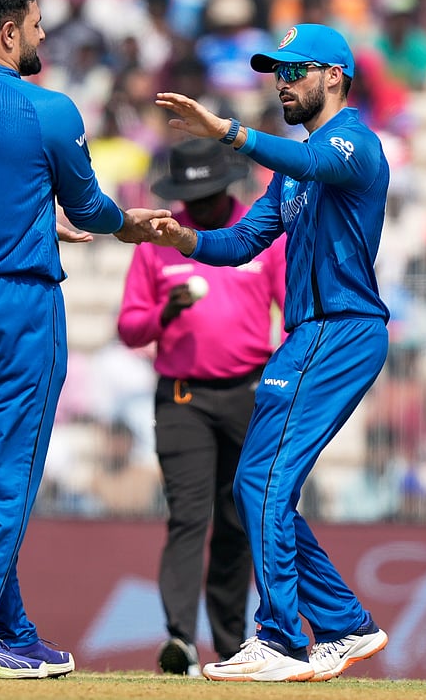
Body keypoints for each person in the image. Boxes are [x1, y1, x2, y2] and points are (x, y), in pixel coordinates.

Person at [0, 0, 169, 680]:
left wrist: (29, 218)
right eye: (38, 23)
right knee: (12, 473)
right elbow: (88, 206)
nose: (45, 35)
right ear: (10, 32)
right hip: (18, 300)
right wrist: (125, 227)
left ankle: (6, 626)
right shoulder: (46, 109)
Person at [153, 23, 391, 682]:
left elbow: (316, 163)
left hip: (338, 330)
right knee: (257, 486)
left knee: (259, 482)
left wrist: (225, 132)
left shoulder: (353, 144)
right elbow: (239, 244)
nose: (281, 82)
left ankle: (283, 639)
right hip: (311, 334)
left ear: (334, 77)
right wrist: (180, 238)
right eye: (276, 71)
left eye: (295, 70)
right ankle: (344, 623)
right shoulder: (290, 175)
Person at [117, 138, 286, 676]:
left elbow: (293, 313)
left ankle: (234, 644)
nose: (203, 205)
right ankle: (180, 641)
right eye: (193, 195)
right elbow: (129, 327)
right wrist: (166, 312)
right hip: (182, 397)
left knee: (238, 521)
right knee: (189, 517)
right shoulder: (157, 241)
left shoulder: (260, 235)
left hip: (250, 393)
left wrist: (280, 379)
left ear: (226, 187)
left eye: (209, 194)